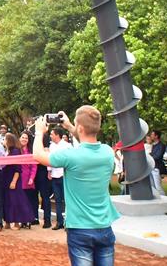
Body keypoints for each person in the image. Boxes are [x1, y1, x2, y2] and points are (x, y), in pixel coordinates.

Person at [33, 107, 120, 266]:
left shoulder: (71, 155)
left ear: (80, 128)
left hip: (79, 228)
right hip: (104, 226)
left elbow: (38, 155)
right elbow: (87, 139)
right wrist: (69, 126)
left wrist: (39, 132)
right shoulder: (108, 152)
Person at [3, 132, 35, 229]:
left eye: (5, 139)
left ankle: (17, 222)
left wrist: (14, 181)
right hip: (6, 178)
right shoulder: (7, 151)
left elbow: (17, 169)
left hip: (14, 179)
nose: (3, 141)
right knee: (7, 200)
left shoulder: (15, 151)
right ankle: (7, 221)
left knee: (16, 201)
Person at [50, 127, 72, 229]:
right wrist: (49, 171)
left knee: (67, 200)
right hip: (54, 175)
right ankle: (59, 222)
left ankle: (69, 222)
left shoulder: (67, 146)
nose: (51, 136)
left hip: (65, 176)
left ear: (57, 135)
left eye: (52, 134)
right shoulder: (51, 146)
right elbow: (49, 159)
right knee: (57, 200)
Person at [19, 132, 40, 227]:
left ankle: (28, 219)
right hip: (18, 178)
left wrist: (32, 178)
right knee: (20, 200)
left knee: (28, 200)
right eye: (22, 137)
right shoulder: (16, 151)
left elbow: (34, 167)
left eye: (26, 138)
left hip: (28, 179)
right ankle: (21, 220)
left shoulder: (30, 151)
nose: (24, 139)